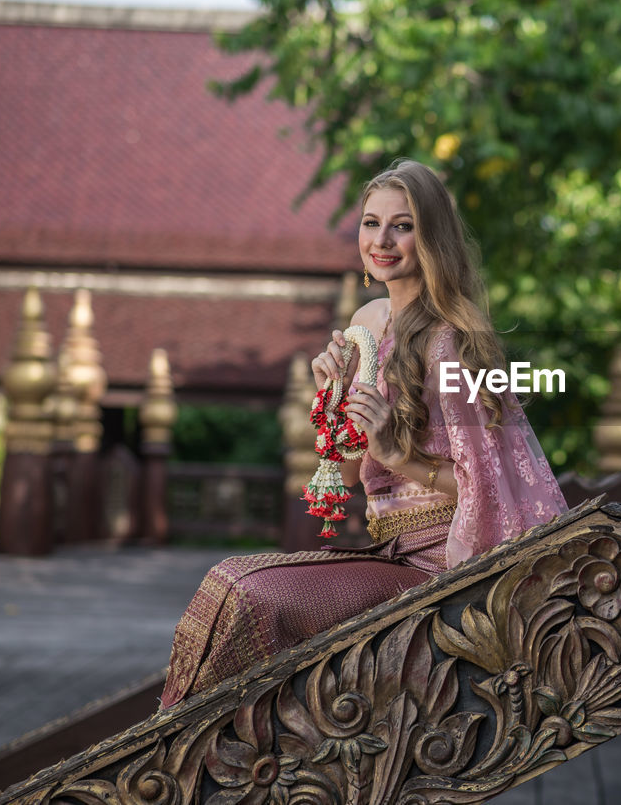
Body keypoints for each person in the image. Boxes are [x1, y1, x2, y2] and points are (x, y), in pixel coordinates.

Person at [159, 160, 567, 708]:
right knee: (228, 582)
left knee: (248, 590)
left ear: (432, 238)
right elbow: (350, 474)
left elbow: (489, 483)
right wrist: (330, 395)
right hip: (387, 549)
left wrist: (397, 453)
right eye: (371, 223)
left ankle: (192, 755)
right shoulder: (369, 323)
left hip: (441, 564)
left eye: (403, 225)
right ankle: (184, 746)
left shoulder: (453, 340)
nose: (382, 240)